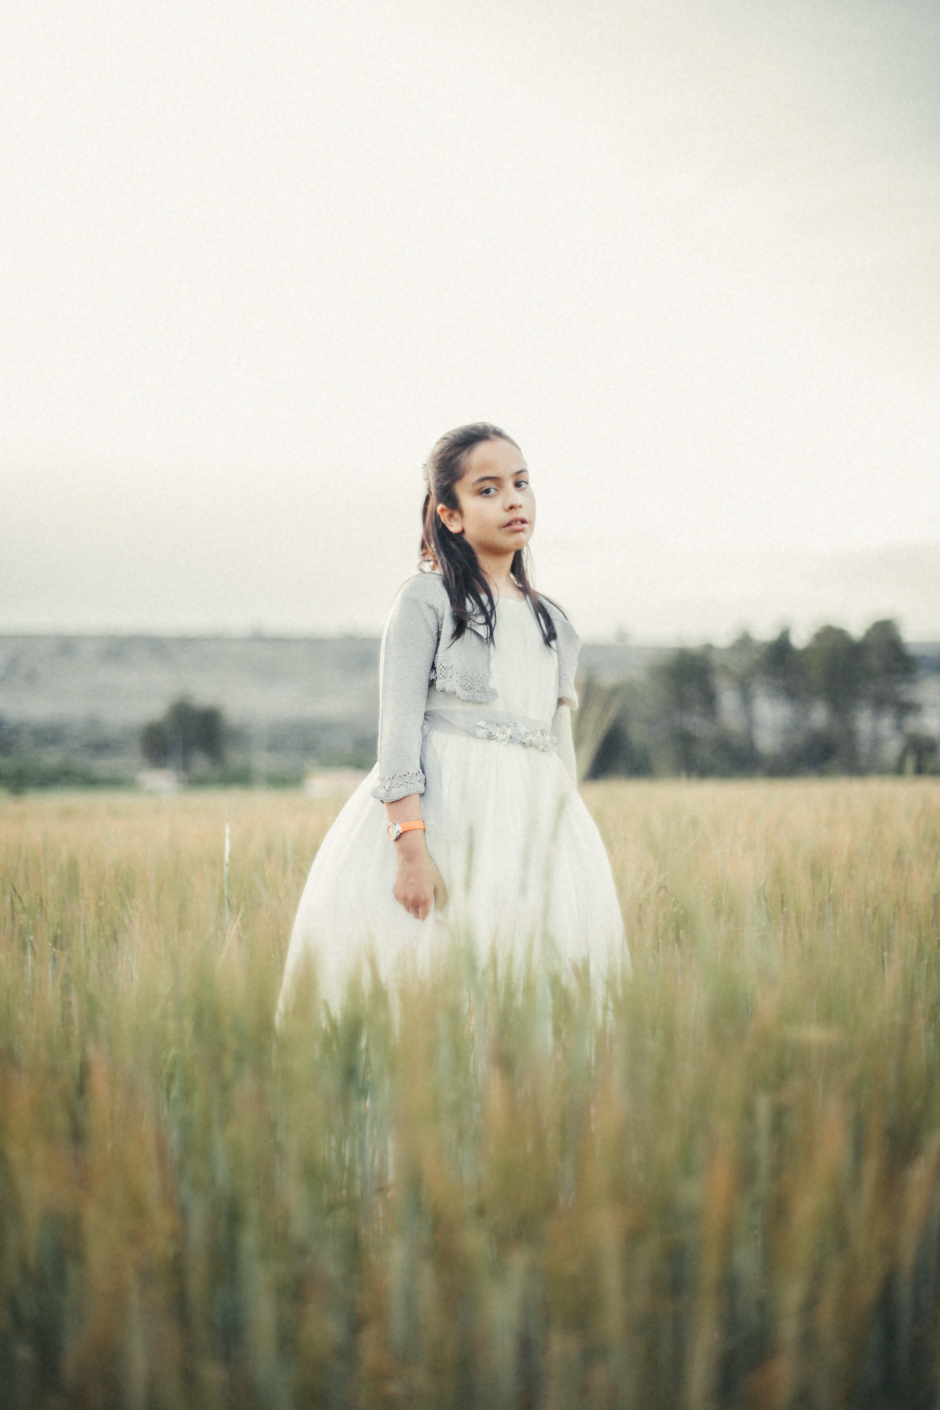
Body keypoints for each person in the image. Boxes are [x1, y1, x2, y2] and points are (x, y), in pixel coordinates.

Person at [277, 422, 628, 1017]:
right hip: (444, 819)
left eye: (521, 483)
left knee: (528, 984)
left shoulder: (555, 624)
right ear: (451, 515)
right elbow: (398, 733)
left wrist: (565, 846)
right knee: (432, 983)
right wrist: (410, 852)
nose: (513, 499)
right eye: (487, 489)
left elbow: (558, 747)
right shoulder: (427, 601)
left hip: (530, 828)